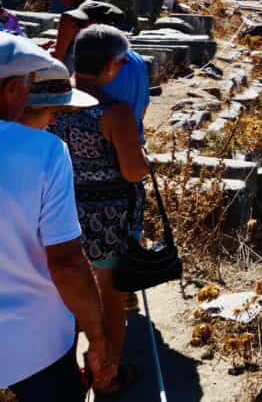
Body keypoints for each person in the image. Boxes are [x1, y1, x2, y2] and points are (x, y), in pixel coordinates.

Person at [0, 32, 115, 400]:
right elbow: (65, 262)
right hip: (33, 347)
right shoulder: (43, 152)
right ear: (15, 89)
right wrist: (99, 339)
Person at [50, 25, 149, 396]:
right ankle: (107, 374)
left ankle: (69, 370)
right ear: (110, 66)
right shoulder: (114, 113)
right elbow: (132, 170)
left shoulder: (53, 107)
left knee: (66, 294)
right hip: (109, 219)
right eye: (121, 63)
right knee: (110, 297)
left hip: (60, 211)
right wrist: (146, 160)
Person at [51, 0, 149, 136]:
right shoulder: (137, 59)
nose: (74, 28)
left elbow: (66, 98)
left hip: (96, 143)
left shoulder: (97, 62)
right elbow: (143, 107)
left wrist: (60, 49)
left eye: (79, 24)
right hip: (131, 139)